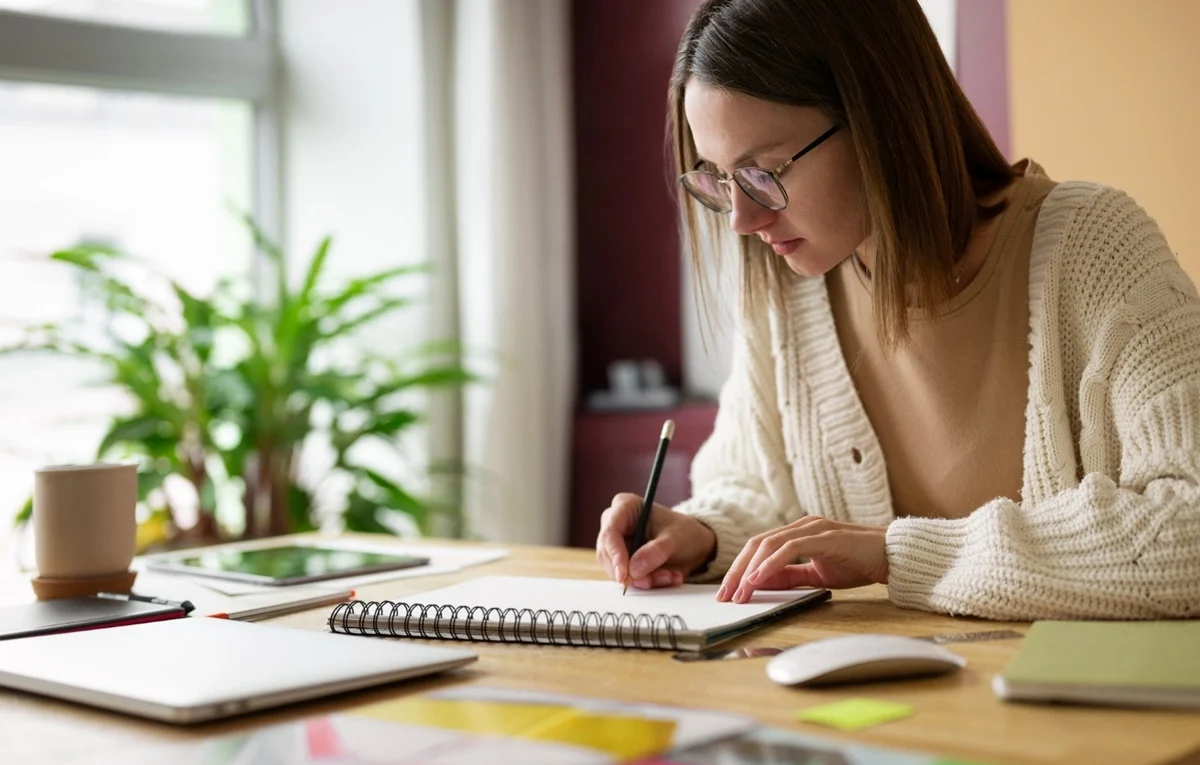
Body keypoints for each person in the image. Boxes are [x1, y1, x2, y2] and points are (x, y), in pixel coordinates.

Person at [595, 0, 1200, 620]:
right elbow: (756, 486)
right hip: (873, 707)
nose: (744, 221)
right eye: (717, 180)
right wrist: (702, 532)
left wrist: (898, 554)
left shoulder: (1096, 248)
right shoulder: (791, 288)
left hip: (1062, 706)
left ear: (881, 116)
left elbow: (1190, 527)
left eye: (762, 172)